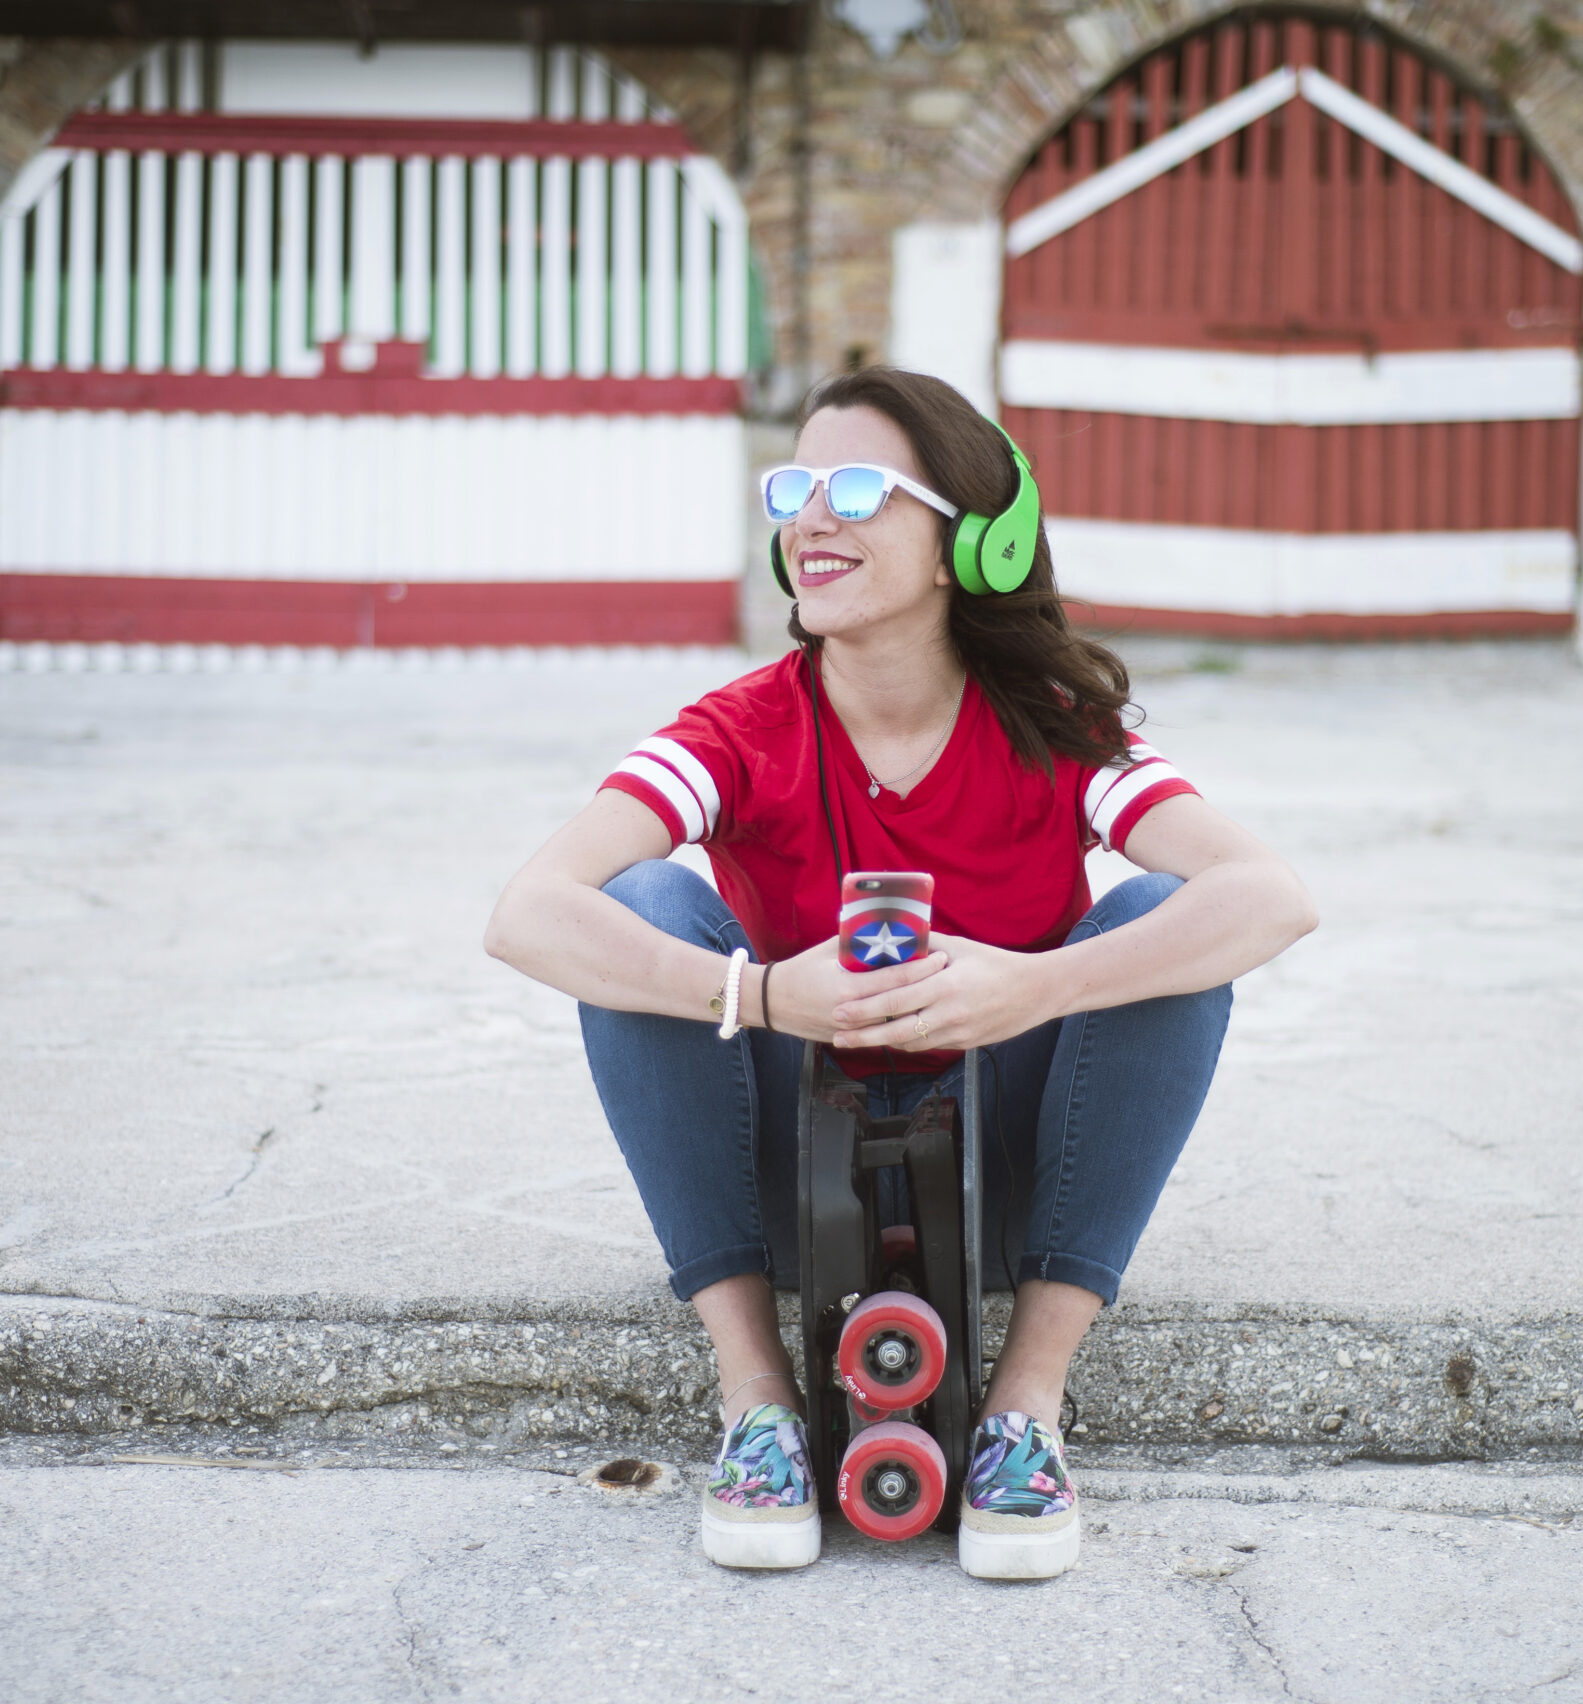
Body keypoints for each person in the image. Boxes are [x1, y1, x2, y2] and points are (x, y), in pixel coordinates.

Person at [485, 367, 1316, 1579]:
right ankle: (755, 1402)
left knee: (1162, 926)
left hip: (1010, 1175)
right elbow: (527, 915)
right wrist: (764, 995)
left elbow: (1269, 897)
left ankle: (1024, 1410)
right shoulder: (737, 730)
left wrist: (1033, 988)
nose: (812, 517)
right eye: (796, 487)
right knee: (644, 909)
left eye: (861, 487)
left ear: (967, 544)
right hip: (787, 1170)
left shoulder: (1054, 725)